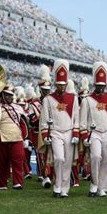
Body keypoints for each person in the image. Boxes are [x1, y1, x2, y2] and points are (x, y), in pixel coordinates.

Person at [80, 62, 107, 197]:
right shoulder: (87, 100)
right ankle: (94, 184)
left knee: (106, 160)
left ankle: (102, 188)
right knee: (96, 157)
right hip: (94, 133)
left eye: (103, 86)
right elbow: (83, 122)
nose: (101, 88)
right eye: (99, 86)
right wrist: (85, 137)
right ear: (95, 85)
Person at [40, 59, 80, 198]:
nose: (62, 87)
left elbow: (76, 117)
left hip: (69, 132)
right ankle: (57, 185)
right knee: (59, 159)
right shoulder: (48, 99)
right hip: (55, 132)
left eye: (64, 84)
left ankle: (64, 189)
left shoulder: (73, 98)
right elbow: (44, 119)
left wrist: (76, 133)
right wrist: (46, 135)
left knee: (68, 161)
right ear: (55, 84)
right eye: (59, 84)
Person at [0, 84, 28, 190]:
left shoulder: (18, 107)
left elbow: (23, 123)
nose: (10, 97)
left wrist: (26, 138)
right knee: (2, 163)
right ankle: (2, 184)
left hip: (17, 137)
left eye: (11, 95)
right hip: (1, 137)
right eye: (7, 95)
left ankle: (18, 182)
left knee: (18, 160)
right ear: (2, 95)